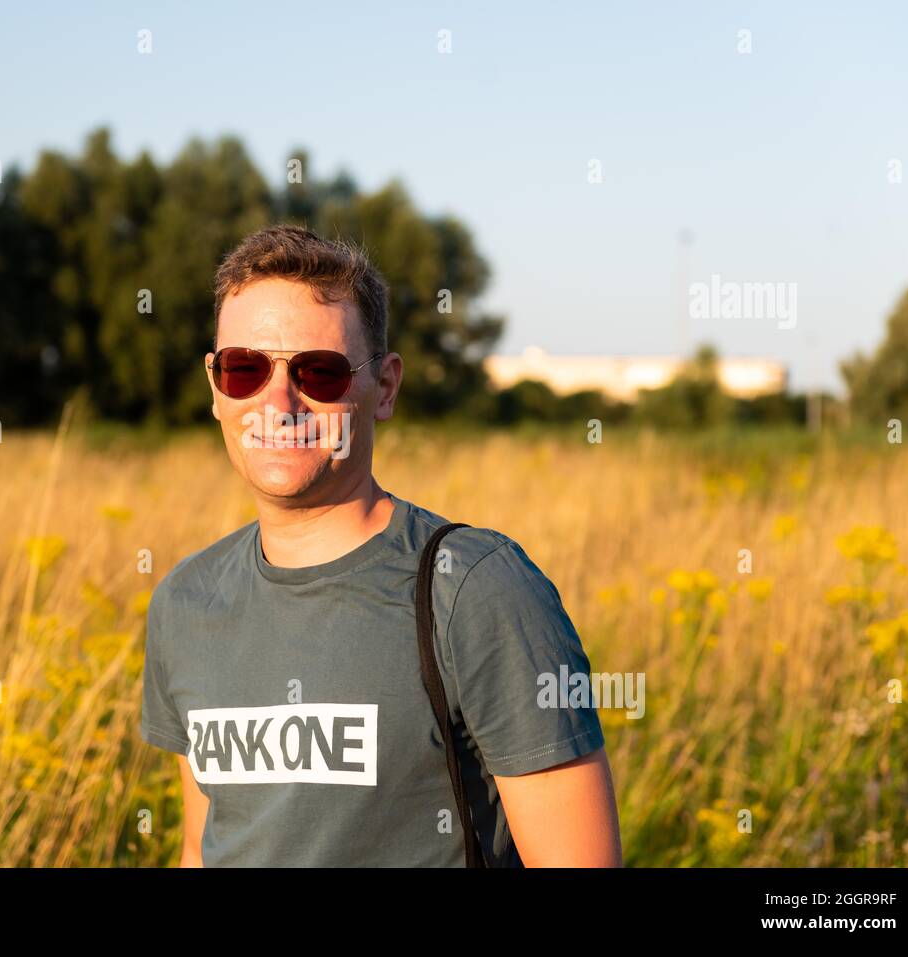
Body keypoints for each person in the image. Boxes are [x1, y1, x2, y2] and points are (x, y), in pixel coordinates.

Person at [139, 223, 623, 867]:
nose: (278, 403)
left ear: (385, 387)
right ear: (215, 387)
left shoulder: (477, 588)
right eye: (245, 370)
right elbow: (204, 848)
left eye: (319, 372)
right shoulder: (186, 601)